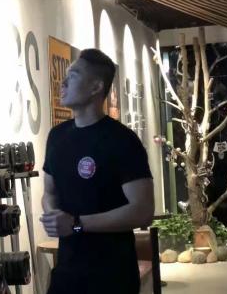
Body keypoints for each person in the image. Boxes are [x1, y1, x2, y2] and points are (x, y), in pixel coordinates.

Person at [40, 49, 154, 294]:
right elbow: (49, 192)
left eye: (73, 75)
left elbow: (143, 211)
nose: (63, 82)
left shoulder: (122, 141)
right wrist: (53, 215)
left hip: (111, 277)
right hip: (67, 273)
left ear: (96, 87)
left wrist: (77, 224)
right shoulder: (57, 137)